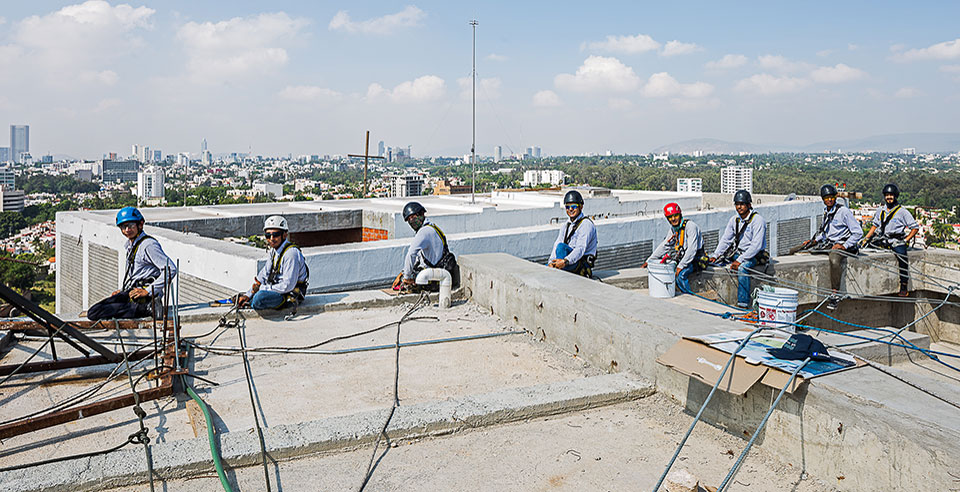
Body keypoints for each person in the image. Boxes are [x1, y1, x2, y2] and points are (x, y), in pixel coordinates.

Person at [87, 207, 177, 320]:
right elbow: (136, 274)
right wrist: (122, 291)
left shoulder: (148, 245)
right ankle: (140, 306)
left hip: (145, 296)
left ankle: (148, 308)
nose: (127, 230)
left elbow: (171, 269)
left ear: (140, 224)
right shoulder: (132, 245)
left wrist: (148, 291)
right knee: (95, 310)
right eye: (123, 227)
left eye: (130, 225)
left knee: (95, 313)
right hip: (133, 291)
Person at [797, 184, 863, 308]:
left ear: (835, 197)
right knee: (797, 249)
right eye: (826, 198)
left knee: (834, 259)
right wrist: (814, 241)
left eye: (831, 197)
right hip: (830, 243)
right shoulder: (827, 212)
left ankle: (835, 294)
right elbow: (825, 232)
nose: (829, 200)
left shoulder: (843, 212)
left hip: (842, 245)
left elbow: (858, 232)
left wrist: (844, 245)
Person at [709, 190, 768, 308]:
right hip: (738, 253)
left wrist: (740, 260)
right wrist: (716, 255)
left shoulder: (758, 221)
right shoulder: (734, 220)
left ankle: (743, 303)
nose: (739, 207)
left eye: (742, 204)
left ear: (749, 205)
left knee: (742, 268)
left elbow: (756, 246)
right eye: (737, 204)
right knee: (715, 263)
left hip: (754, 255)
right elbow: (726, 240)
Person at [237, 216, 309, 310]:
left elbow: (288, 286)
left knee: (259, 298)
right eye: (268, 235)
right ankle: (248, 300)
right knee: (253, 295)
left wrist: (262, 288)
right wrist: (248, 294)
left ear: (284, 235)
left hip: (289, 295)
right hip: (277, 290)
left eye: (275, 234)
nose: (271, 238)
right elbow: (264, 275)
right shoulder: (273, 251)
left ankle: (251, 303)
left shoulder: (291, 254)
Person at [861, 184, 919, 297]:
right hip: (883, 238)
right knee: (866, 250)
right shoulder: (880, 210)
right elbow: (874, 226)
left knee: (902, 257)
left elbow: (915, 227)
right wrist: (866, 238)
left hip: (897, 240)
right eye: (887, 195)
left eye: (891, 195)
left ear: (895, 196)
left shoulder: (902, 212)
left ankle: (903, 284)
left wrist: (905, 240)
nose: (889, 197)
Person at [392, 202, 459, 292]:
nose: (411, 221)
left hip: (433, 279)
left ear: (421, 214)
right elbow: (419, 257)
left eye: (413, 217)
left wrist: (406, 278)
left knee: (404, 284)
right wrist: (403, 273)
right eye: (409, 219)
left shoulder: (424, 232)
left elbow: (411, 254)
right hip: (439, 271)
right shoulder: (432, 227)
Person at [643, 202, 705, 295]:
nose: (673, 219)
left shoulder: (690, 226)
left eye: (675, 216)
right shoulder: (674, 230)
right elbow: (665, 245)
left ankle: (689, 297)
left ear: (680, 214)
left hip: (696, 259)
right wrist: (650, 260)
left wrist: (681, 266)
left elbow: (692, 249)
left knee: (681, 275)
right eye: (670, 217)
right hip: (684, 259)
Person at [548, 190, 598, 278]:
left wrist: (565, 262)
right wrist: (551, 262)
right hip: (565, 261)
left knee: (561, 247)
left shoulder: (586, 225)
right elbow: (556, 244)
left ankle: (559, 275)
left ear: (581, 207)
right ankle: (557, 271)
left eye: (574, 206)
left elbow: (580, 248)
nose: (570, 209)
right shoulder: (566, 225)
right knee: (542, 270)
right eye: (567, 207)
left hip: (579, 264)